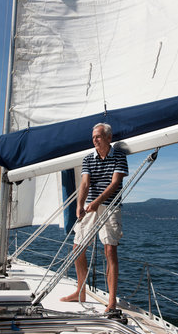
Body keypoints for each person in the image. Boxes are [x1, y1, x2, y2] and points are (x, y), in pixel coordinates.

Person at [60, 123, 128, 312]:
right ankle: (80, 291)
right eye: (93, 137)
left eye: (98, 136)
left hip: (110, 207)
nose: (94, 140)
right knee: (77, 248)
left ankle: (112, 301)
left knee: (109, 252)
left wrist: (97, 202)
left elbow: (115, 183)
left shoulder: (119, 157)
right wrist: (79, 205)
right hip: (90, 206)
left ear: (108, 137)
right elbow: (84, 184)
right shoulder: (89, 158)